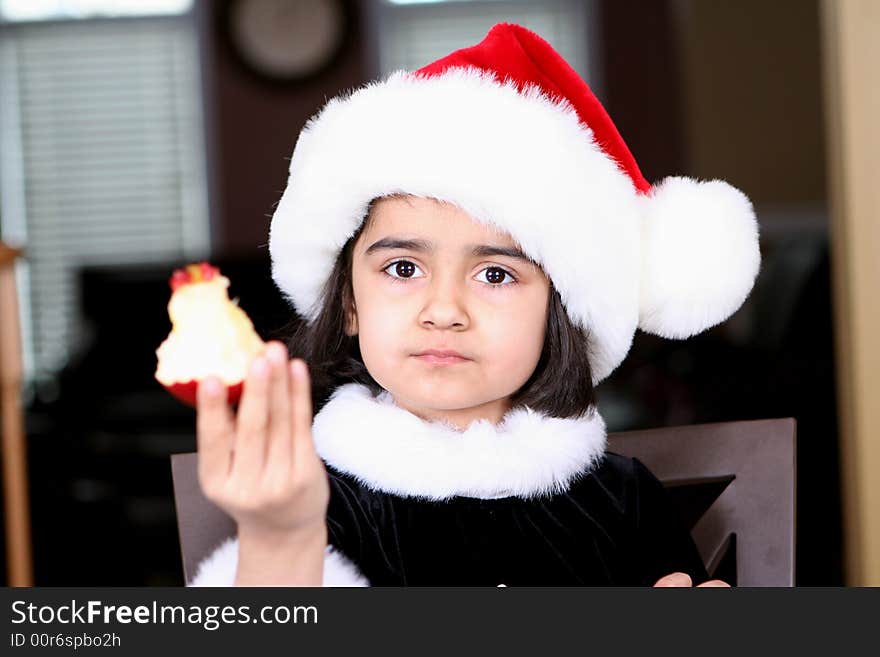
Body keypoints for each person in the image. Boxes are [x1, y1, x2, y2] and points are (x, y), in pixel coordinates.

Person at [186, 23, 759, 587]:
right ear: (350, 303)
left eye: (494, 274)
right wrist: (277, 544)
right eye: (403, 269)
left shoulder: (624, 500)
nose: (444, 310)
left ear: (559, 312)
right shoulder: (306, 505)